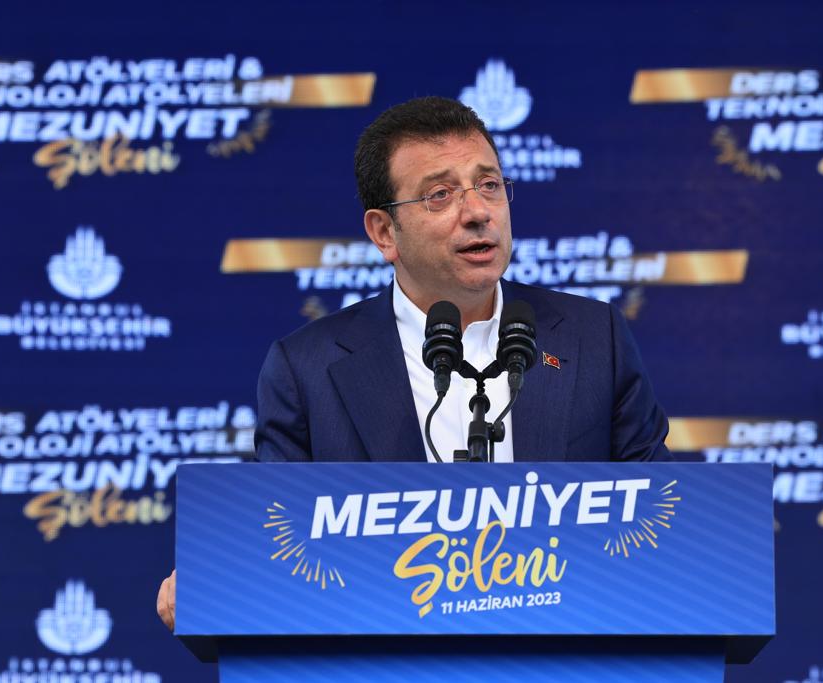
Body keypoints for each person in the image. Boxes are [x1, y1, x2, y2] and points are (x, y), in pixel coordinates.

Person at [157, 95, 669, 630]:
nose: (478, 212)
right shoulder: (307, 369)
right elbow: (281, 547)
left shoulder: (594, 337)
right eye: (439, 195)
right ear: (384, 233)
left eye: (489, 184)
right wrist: (215, 589)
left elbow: (662, 523)